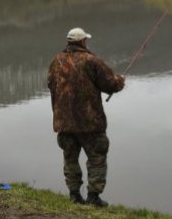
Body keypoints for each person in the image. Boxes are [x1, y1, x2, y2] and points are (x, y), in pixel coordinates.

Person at [46, 27, 125, 207]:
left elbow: (50, 84)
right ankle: (93, 197)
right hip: (90, 123)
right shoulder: (91, 61)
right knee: (97, 157)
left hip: (64, 122)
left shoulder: (56, 61)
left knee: (70, 158)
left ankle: (74, 195)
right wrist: (120, 80)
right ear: (83, 42)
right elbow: (111, 84)